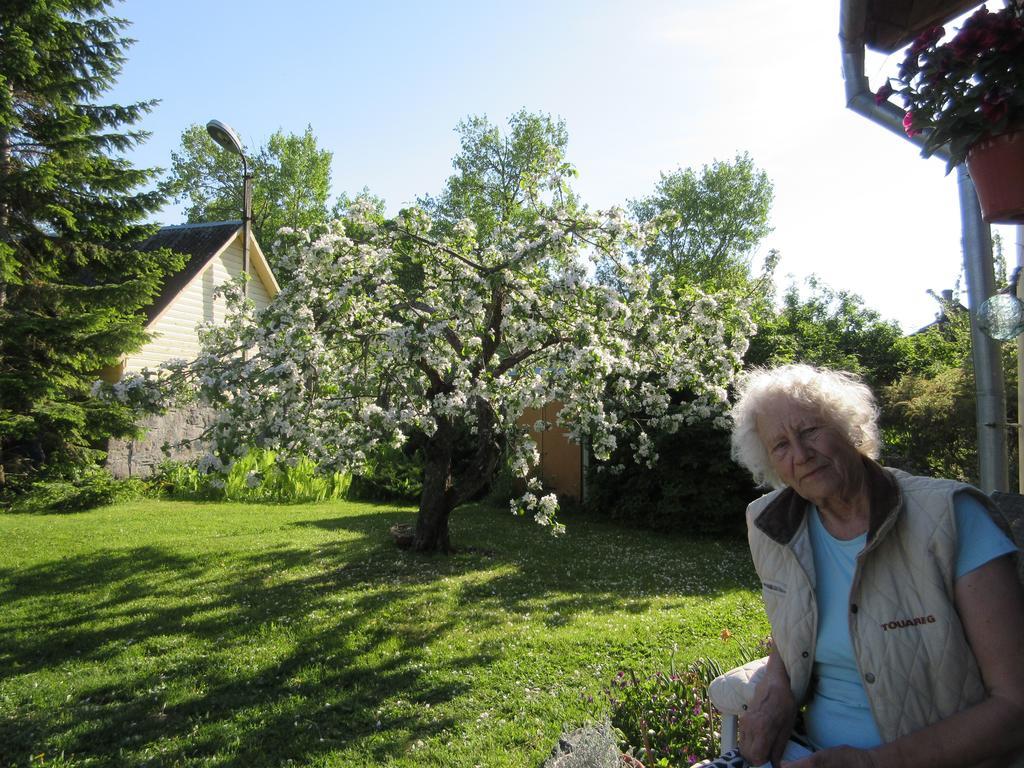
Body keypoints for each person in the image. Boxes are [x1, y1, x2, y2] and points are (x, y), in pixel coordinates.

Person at [726, 364, 1024, 768]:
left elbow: (1015, 705)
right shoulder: (770, 523)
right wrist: (778, 683)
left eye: (811, 431)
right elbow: (797, 619)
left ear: (850, 428)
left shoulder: (951, 517)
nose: (800, 455)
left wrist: (874, 762)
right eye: (780, 446)